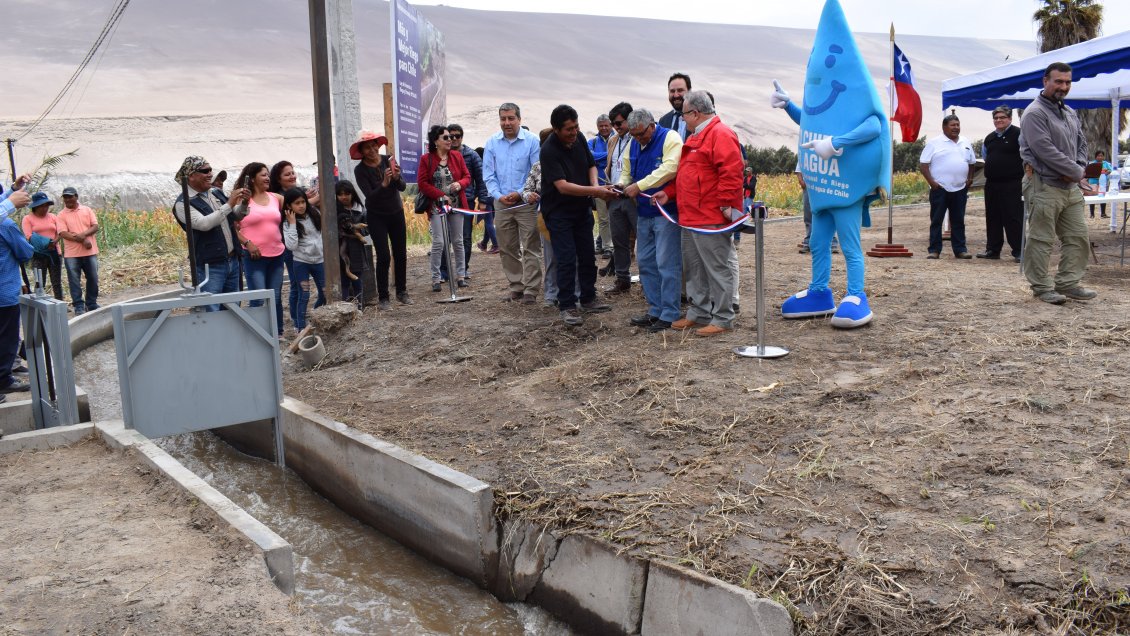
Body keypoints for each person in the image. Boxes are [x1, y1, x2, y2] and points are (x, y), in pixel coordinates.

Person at [654, 91, 742, 337]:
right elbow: (686, 175)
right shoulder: (696, 137)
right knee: (694, 269)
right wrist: (668, 194)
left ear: (695, 113)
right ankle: (699, 312)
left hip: (710, 218)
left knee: (717, 268)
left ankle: (723, 317)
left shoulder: (720, 134)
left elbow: (732, 172)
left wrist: (726, 205)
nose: (682, 120)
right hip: (690, 217)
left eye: (684, 115)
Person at [1019, 61, 1095, 305]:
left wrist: (1077, 170)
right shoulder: (1034, 113)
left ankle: (1068, 283)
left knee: (1078, 235)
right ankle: (1041, 288)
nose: (1063, 86)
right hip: (1044, 185)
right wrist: (1074, 171)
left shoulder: (1069, 112)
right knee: (1041, 238)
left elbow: (1081, 143)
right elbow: (1044, 150)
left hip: (1069, 187)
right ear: (1045, 81)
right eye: (1058, 81)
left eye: (1067, 82)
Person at [540, 104, 618, 327]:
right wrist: (597, 192)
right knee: (565, 258)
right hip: (558, 213)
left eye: (576, 127)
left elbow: (591, 165)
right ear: (556, 129)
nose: (573, 132)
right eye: (568, 129)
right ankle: (567, 305)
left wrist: (595, 186)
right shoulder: (549, 150)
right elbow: (562, 186)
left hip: (581, 209)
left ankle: (588, 297)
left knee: (586, 255)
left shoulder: (580, 139)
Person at [618, 108, 683, 333]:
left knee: (667, 263)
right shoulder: (632, 144)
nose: (637, 139)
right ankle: (655, 309)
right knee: (645, 262)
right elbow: (626, 170)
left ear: (652, 126)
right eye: (633, 135)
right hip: (644, 213)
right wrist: (621, 184)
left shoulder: (670, 138)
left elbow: (670, 169)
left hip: (666, 213)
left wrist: (640, 185)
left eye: (641, 134)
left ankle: (670, 313)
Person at [483, 102, 543, 303]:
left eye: (511, 118)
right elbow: (489, 175)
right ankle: (516, 285)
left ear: (519, 119)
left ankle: (531, 290)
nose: (507, 123)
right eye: (503, 119)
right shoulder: (492, 143)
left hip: (526, 203)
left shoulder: (532, 141)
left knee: (531, 246)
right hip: (501, 204)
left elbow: (536, 171)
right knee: (507, 247)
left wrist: (519, 193)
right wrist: (498, 196)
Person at [172, 156, 249, 312]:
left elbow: (235, 215)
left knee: (234, 309)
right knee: (211, 310)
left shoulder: (215, 193)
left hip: (232, 260)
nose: (210, 174)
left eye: (210, 170)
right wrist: (229, 204)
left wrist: (245, 203)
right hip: (210, 266)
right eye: (205, 171)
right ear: (191, 176)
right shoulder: (183, 203)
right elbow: (204, 224)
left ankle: (230, 337)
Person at [352, 130, 411, 309]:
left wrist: (397, 177)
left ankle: (402, 291)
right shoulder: (360, 170)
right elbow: (369, 197)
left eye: (374, 145)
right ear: (361, 152)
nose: (372, 150)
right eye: (367, 148)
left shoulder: (388, 160)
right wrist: (384, 183)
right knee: (384, 255)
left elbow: (402, 187)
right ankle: (383, 297)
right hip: (377, 216)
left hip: (396, 212)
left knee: (400, 253)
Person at [233, 163, 287, 335]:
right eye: (263, 175)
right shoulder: (242, 200)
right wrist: (248, 243)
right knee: (258, 298)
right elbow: (232, 228)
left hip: (277, 254)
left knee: (276, 297)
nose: (267, 178)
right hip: (254, 256)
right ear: (253, 177)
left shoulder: (277, 198)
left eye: (268, 175)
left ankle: (277, 333)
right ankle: (256, 334)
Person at [417, 125, 471, 292]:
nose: (451, 140)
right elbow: (423, 184)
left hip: (456, 205)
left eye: (451, 137)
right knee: (439, 242)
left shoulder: (456, 156)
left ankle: (461, 275)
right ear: (436, 141)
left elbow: (467, 177)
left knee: (458, 241)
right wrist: (440, 195)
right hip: (436, 206)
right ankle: (436, 278)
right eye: (446, 138)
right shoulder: (426, 159)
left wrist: (459, 184)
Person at [270, 160, 321, 328]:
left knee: (321, 290)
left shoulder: (307, 207)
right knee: (297, 287)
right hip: (295, 252)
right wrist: (311, 200)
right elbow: (290, 239)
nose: (292, 176)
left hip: (316, 257)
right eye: (287, 174)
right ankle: (297, 322)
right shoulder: (276, 197)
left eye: (293, 172)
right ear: (278, 179)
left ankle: (311, 318)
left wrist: (309, 200)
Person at [521, 128, 565, 308]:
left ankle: (575, 294)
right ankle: (550, 295)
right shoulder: (538, 167)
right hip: (546, 218)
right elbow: (526, 190)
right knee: (551, 257)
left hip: (571, 214)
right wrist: (529, 196)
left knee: (574, 257)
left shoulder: (572, 161)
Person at [920, 115, 975, 260]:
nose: (956, 127)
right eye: (952, 125)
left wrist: (969, 179)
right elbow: (923, 165)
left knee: (958, 220)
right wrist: (932, 183)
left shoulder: (965, 142)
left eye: (957, 124)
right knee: (936, 220)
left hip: (960, 189)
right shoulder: (934, 143)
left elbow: (972, 163)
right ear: (944, 127)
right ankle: (934, 250)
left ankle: (960, 250)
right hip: (940, 189)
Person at [979, 106, 1024, 261]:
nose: (999, 120)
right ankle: (993, 250)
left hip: (1013, 184)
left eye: (1002, 117)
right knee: (993, 217)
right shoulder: (989, 138)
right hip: (992, 184)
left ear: (1010, 118)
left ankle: (1019, 250)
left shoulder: (1019, 135)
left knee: (1013, 217)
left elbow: (1027, 156)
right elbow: (986, 157)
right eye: (996, 118)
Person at [0, 184, 33, 398]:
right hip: (5, 292)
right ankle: (4, 378)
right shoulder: (7, 226)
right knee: (7, 338)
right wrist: (11, 202)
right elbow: (25, 252)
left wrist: (12, 189)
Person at [447, 124, 491, 279]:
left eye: (457, 136)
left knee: (464, 236)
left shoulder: (471, 155)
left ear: (461, 137)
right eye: (450, 136)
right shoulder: (440, 155)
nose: (453, 139)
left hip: (467, 201)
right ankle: (444, 272)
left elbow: (481, 179)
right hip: (445, 202)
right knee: (445, 237)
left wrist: (483, 200)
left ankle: (463, 269)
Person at [603, 102, 637, 293]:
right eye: (614, 123)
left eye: (619, 123)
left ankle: (650, 281)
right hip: (615, 196)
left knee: (644, 240)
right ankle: (622, 278)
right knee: (619, 240)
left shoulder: (639, 138)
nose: (616, 126)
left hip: (634, 196)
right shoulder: (613, 140)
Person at [281, 188, 325, 331]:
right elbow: (291, 246)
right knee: (304, 294)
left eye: (303, 202)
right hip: (301, 262)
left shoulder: (315, 214)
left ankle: (315, 315)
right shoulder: (288, 224)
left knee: (324, 293)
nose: (301, 206)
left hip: (319, 260)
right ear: (288, 206)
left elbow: (322, 235)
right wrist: (293, 223)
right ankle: (300, 327)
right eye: (297, 203)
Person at [56, 186, 101, 314]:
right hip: (72, 254)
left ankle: (91, 304)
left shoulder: (87, 210)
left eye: (70, 196)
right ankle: (79, 306)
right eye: (65, 197)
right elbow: (63, 233)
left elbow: (95, 226)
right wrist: (82, 239)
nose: (68, 199)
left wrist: (83, 235)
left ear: (76, 196)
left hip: (90, 252)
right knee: (74, 281)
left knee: (93, 278)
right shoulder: (61, 215)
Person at [22, 192, 63, 300]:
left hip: (54, 252)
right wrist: (45, 243)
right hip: (38, 254)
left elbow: (60, 231)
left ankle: (60, 303)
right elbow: (29, 236)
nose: (45, 208)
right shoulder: (28, 219)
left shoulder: (53, 217)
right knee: (40, 282)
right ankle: (41, 303)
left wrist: (54, 242)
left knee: (57, 282)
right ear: (35, 206)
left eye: (46, 205)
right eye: (42, 206)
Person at [335, 180, 369, 303]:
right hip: (340, 250)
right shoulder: (334, 210)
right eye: (340, 194)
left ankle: (359, 307)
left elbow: (367, 228)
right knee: (344, 281)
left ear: (352, 193)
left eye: (347, 194)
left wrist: (360, 233)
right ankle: (345, 308)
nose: (343, 197)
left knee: (357, 280)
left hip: (356, 249)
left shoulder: (360, 209)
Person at [588, 114, 614, 255]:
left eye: (606, 125)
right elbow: (590, 156)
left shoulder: (618, 140)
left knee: (616, 217)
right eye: (601, 126)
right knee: (603, 218)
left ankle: (611, 244)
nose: (604, 128)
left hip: (617, 184)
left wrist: (599, 157)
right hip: (599, 185)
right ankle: (608, 247)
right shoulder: (592, 142)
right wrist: (609, 154)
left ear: (611, 125)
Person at [658, 73, 692, 140]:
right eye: (672, 91)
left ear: (689, 91)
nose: (676, 95)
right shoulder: (663, 121)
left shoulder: (700, 118)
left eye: (680, 90)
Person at [1086, 150, 1113, 219]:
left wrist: (1105, 173)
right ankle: (1092, 214)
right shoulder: (1092, 164)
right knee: (1092, 198)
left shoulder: (1105, 163)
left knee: (1102, 197)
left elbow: (1110, 170)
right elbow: (1089, 172)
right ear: (1095, 157)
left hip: (1103, 183)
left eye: (1101, 156)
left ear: (1103, 157)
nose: (1100, 157)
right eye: (1098, 156)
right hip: (1093, 182)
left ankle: (1103, 213)